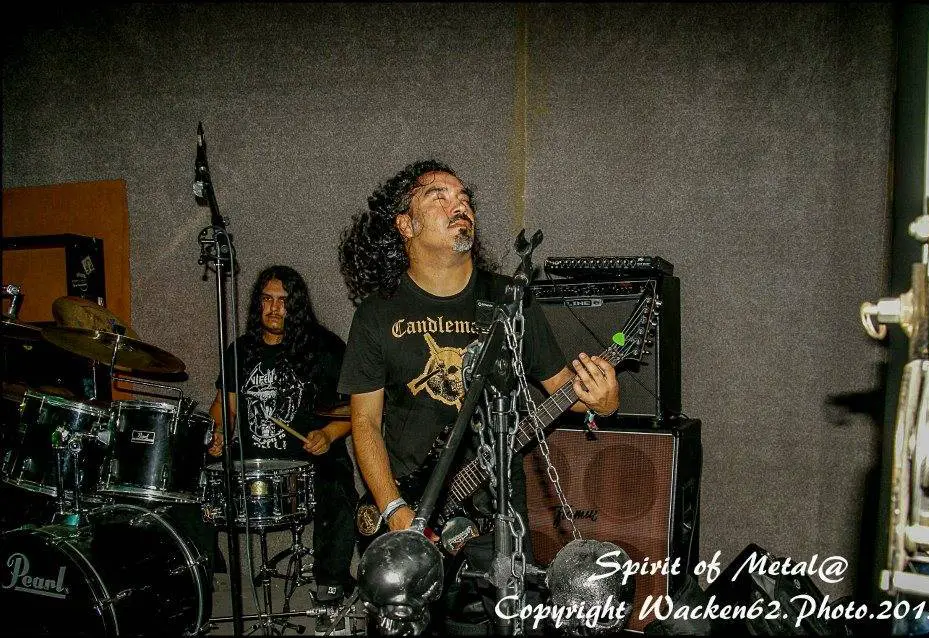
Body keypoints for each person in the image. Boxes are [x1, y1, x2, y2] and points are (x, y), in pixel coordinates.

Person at [337, 160, 620, 632]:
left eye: (463, 197)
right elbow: (364, 423)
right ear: (405, 225)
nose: (459, 204)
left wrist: (602, 402)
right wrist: (394, 509)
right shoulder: (377, 314)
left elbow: (564, 392)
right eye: (438, 197)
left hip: (498, 512)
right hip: (414, 502)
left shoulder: (509, 300)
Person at [207, 265, 357, 608]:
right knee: (193, 474)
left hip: (308, 460)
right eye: (267, 300)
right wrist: (217, 433)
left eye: (283, 301)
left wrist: (327, 434)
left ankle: (331, 585)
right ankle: (211, 573)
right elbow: (224, 407)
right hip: (254, 460)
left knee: (338, 483)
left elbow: (355, 411)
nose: (274, 309)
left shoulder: (325, 348)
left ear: (297, 305)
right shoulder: (241, 350)